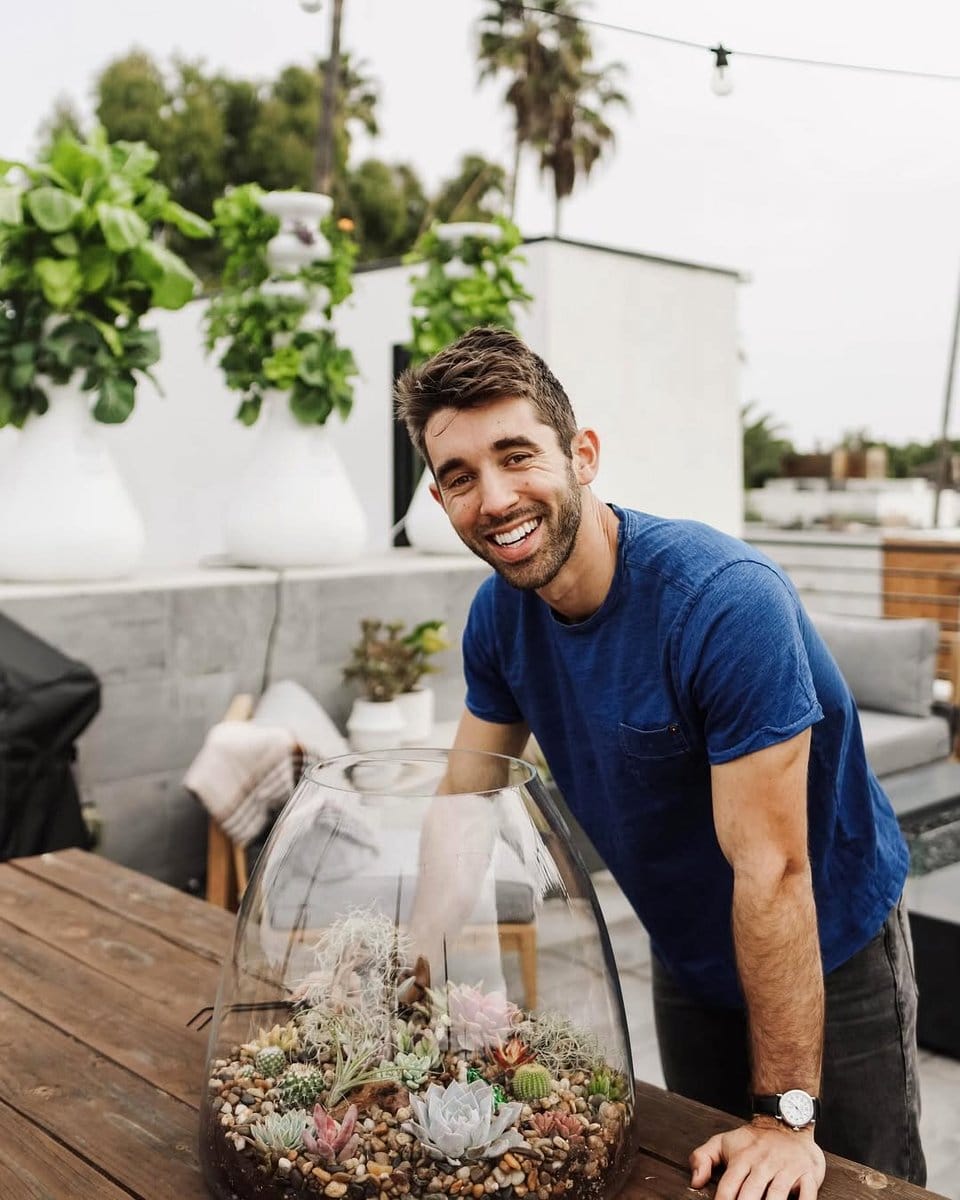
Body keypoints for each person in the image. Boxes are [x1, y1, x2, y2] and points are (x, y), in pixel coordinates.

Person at [394, 325, 926, 1198]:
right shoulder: (499, 619)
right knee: (703, 1177)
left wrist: (787, 1117)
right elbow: (464, 805)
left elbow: (775, 870)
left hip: (828, 948)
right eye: (460, 477)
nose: (493, 498)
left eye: (516, 455)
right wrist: (409, 996)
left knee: (857, 1185)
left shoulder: (722, 605)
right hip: (689, 952)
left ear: (583, 454)